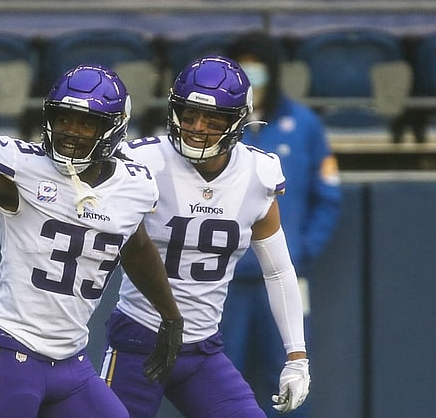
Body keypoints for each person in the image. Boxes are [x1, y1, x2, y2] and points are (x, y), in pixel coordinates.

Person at [0, 63, 184, 417]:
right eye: (64, 119)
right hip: (12, 353)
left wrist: (170, 316)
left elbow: (137, 248)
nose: (70, 131)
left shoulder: (134, 187)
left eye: (86, 123)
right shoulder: (23, 170)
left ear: (113, 129)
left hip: (73, 365)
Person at [100, 55, 310, 417]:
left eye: (214, 120)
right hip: (138, 340)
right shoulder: (142, 163)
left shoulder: (258, 174)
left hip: (202, 350)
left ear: (238, 122)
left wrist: (297, 357)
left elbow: (277, 271)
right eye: (190, 115)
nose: (198, 127)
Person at [220, 32, 342, 418]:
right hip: (223, 284)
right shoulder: (216, 126)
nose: (250, 71)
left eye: (257, 63)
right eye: (242, 62)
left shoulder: (304, 125)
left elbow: (328, 196)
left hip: (282, 279)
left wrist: (302, 252)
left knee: (288, 375)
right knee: (218, 380)